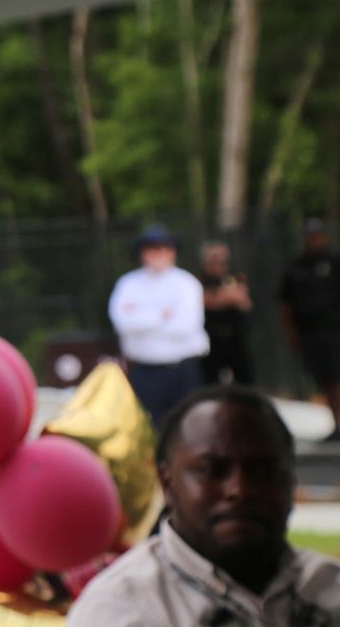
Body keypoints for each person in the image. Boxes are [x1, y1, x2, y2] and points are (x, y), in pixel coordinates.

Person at [69, 385, 340, 627]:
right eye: (211, 470)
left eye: (262, 471)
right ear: (167, 483)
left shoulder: (329, 589)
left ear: (290, 482)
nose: (239, 490)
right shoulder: (121, 609)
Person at [109, 224, 209, 427]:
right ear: (142, 253)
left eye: (164, 247)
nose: (159, 253)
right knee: (148, 427)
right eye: (152, 248)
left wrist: (141, 317)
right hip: (145, 371)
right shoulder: (127, 284)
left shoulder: (186, 284)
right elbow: (122, 323)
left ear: (173, 252)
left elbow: (184, 326)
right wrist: (161, 315)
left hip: (183, 371)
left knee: (189, 426)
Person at [280, 219, 340, 442]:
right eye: (309, 236)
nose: (313, 240)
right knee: (326, 380)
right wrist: (291, 333)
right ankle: (337, 424)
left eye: (317, 235)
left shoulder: (334, 263)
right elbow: (285, 304)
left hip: (335, 331)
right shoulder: (296, 267)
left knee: (336, 379)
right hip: (311, 333)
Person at [200, 240, 255, 386]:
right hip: (210, 342)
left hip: (235, 339)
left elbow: (243, 301)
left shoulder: (237, 278)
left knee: (245, 384)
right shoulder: (199, 281)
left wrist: (218, 298)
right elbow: (204, 301)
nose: (220, 264)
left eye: (223, 261)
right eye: (215, 260)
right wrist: (227, 297)